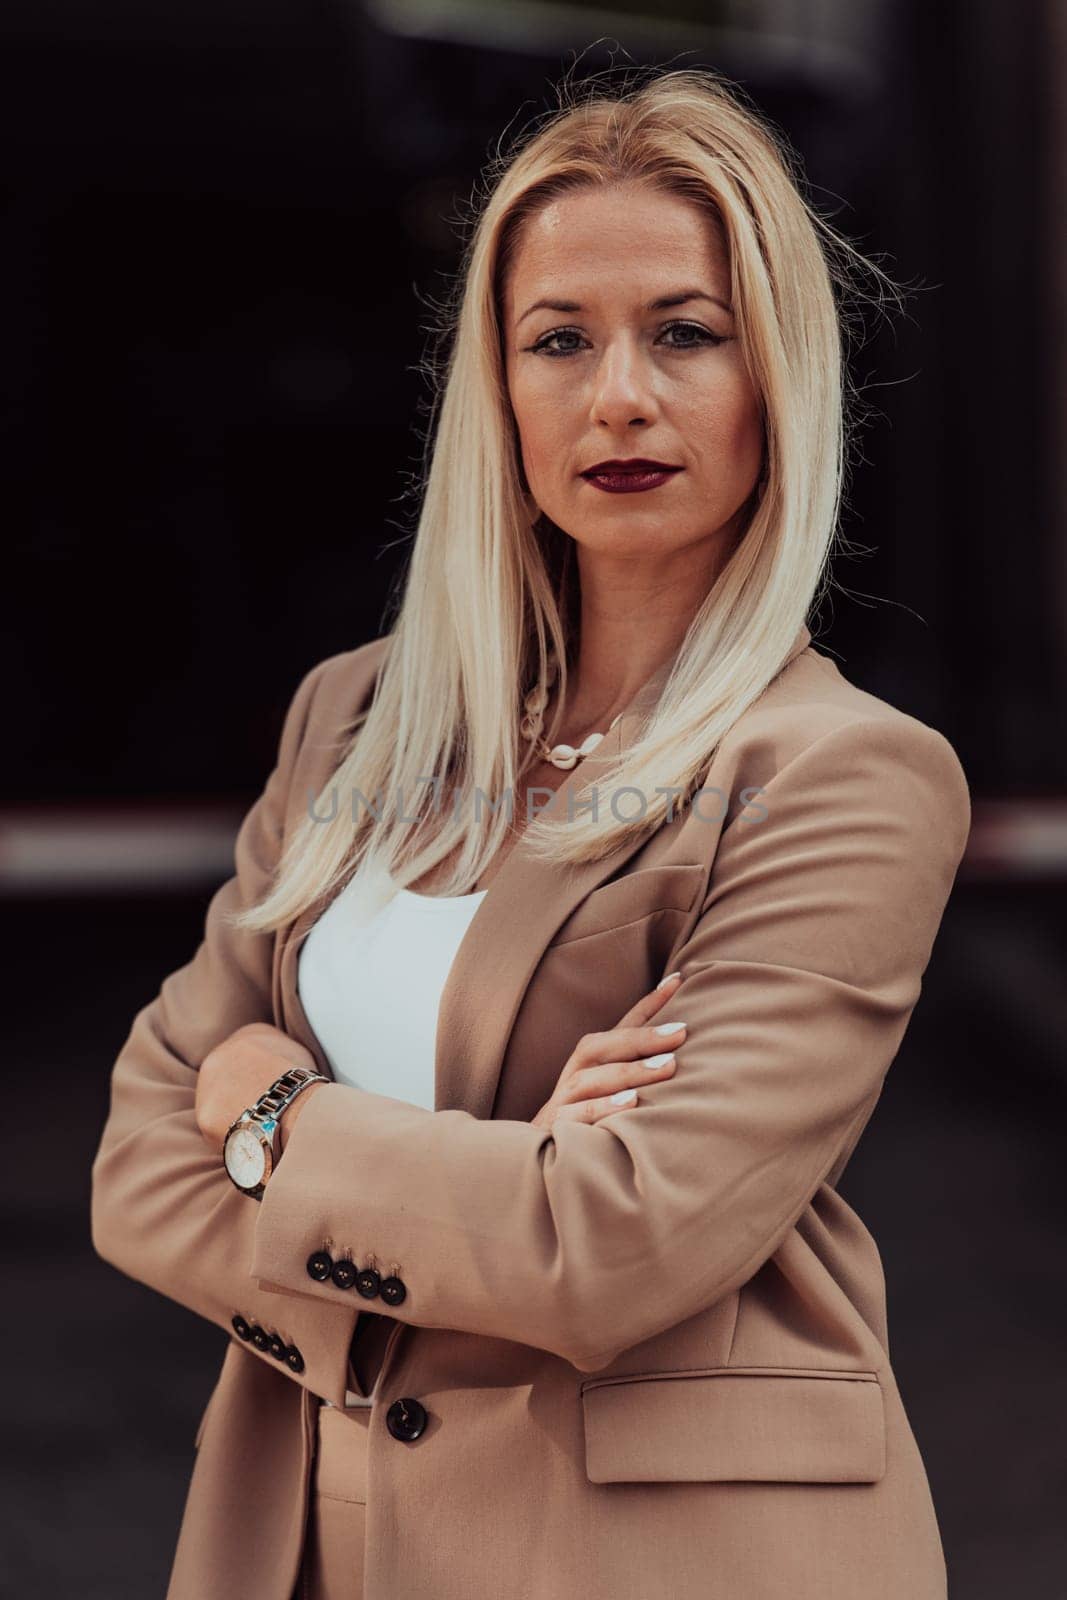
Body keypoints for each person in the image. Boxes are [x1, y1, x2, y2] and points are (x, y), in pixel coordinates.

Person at [90, 63, 970, 1600]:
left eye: (685, 334)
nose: (618, 394)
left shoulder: (842, 776)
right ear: (495, 388)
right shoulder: (357, 719)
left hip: (671, 1557)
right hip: (305, 1530)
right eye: (559, 339)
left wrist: (274, 1117)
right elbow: (131, 1171)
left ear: (780, 375)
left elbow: (619, 1246)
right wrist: (496, 1186)